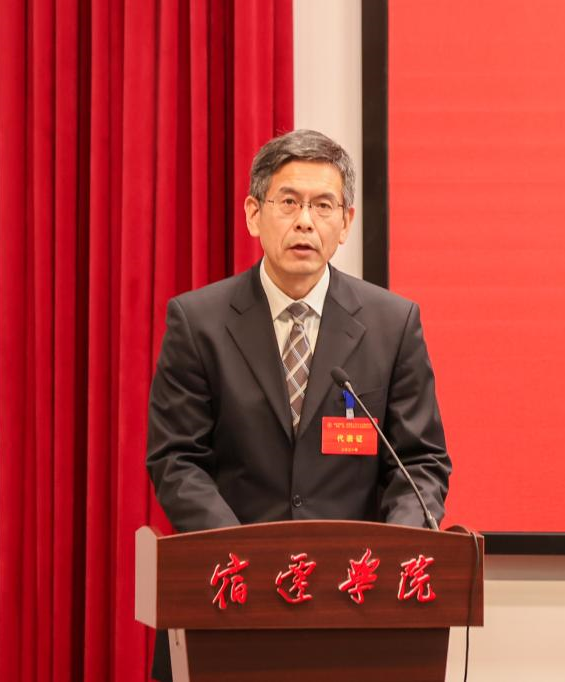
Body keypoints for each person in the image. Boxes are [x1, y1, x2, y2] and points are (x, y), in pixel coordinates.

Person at [146, 129, 450, 680]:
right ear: (253, 214)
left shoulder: (393, 323)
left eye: (323, 205)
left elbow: (421, 461)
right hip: (227, 597)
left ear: (346, 222)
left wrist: (394, 549)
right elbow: (177, 460)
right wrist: (245, 555)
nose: (305, 221)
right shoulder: (197, 322)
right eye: (288, 202)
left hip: (354, 605)